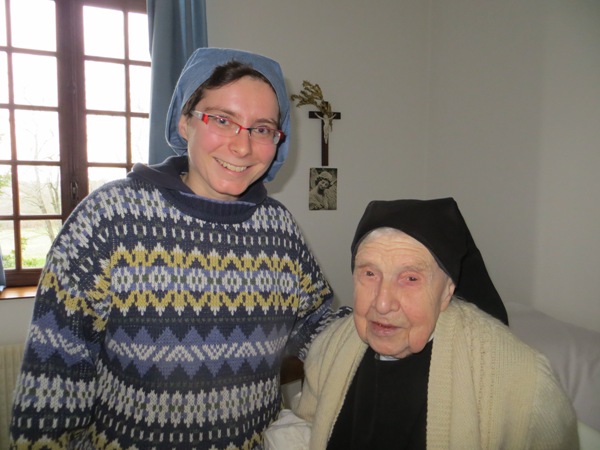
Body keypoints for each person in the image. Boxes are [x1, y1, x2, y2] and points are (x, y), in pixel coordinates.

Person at [10, 48, 349, 449]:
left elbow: (317, 326)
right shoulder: (109, 220)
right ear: (185, 122)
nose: (242, 147)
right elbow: (49, 395)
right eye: (222, 120)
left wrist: (392, 320)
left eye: (261, 129)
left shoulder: (279, 229)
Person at [264, 198, 578, 450]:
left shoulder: (525, 383)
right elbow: (308, 424)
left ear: (447, 291)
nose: (382, 303)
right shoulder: (330, 347)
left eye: (410, 278)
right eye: (369, 274)